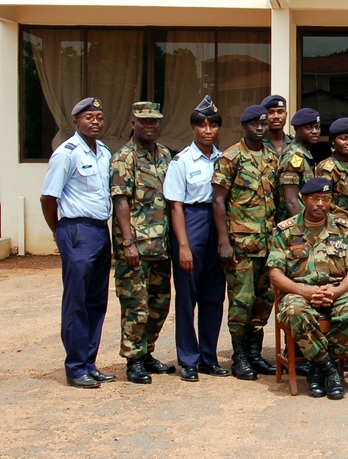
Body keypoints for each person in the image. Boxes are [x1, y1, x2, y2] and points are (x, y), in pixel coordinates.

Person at [268, 177, 348, 400]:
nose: (320, 203)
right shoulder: (285, 230)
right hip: (297, 292)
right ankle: (330, 370)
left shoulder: (344, 228)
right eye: (315, 199)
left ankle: (317, 367)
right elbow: (274, 273)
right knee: (295, 312)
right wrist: (304, 291)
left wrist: (337, 291)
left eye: (325, 198)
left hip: (335, 290)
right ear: (303, 199)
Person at [41, 97, 115, 389]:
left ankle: (89, 362)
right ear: (76, 121)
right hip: (76, 229)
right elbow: (48, 197)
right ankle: (74, 367)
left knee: (97, 300)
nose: (95, 121)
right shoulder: (66, 153)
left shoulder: (105, 152)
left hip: (99, 230)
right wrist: (58, 231)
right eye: (88, 117)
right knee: (76, 301)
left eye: (99, 116)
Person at [163, 96, 229, 382]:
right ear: (193, 129)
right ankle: (188, 358)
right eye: (201, 125)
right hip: (192, 223)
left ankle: (208, 357)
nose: (207, 130)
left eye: (212, 125)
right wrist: (183, 246)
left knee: (214, 295)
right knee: (188, 297)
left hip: (218, 225)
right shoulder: (181, 161)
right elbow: (175, 205)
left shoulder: (223, 158)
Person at [212, 104, 279, 380]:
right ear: (245, 126)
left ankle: (254, 353)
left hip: (268, 244)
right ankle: (239, 357)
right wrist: (224, 242)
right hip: (240, 245)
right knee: (242, 301)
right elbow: (218, 200)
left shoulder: (272, 157)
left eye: (263, 124)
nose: (260, 128)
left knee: (263, 301)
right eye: (255, 124)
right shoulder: (231, 157)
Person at [110, 101, 174, 384]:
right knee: (136, 306)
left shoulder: (164, 155)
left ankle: (147, 351)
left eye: (154, 122)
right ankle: (133, 360)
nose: (149, 126)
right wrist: (127, 242)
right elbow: (120, 201)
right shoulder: (124, 158)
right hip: (135, 247)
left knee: (160, 303)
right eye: (143, 122)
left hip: (161, 246)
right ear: (133, 123)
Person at [315, 118, 348, 239]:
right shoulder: (328, 167)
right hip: (336, 230)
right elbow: (322, 201)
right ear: (333, 141)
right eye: (344, 138)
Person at [276, 108, 321, 219]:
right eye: (308, 128)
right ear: (296, 129)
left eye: (317, 127)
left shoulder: (304, 152)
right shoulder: (294, 156)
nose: (314, 131)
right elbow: (291, 201)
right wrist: (301, 230)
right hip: (295, 225)